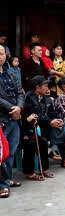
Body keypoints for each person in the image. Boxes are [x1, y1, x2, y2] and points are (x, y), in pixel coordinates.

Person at [0, 44, 24, 197]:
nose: (0, 56)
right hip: (2, 118)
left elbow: (20, 92)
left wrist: (19, 108)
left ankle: (7, 179)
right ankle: (2, 185)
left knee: (11, 152)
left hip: (14, 118)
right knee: (1, 153)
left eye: (1, 53)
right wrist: (13, 108)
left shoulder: (11, 73)